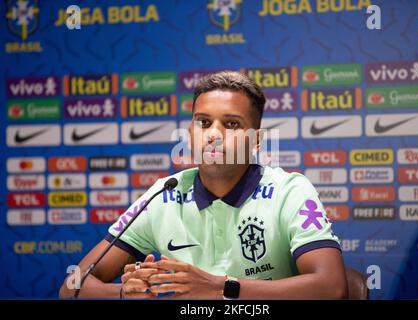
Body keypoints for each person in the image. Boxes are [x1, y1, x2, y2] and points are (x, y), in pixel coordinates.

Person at [59, 71, 348, 299]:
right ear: (189, 133)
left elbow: (332, 288)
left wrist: (218, 288)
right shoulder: (164, 193)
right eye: (203, 122)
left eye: (232, 124)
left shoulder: (289, 191)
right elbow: (73, 284)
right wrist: (129, 292)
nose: (214, 135)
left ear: (256, 140)